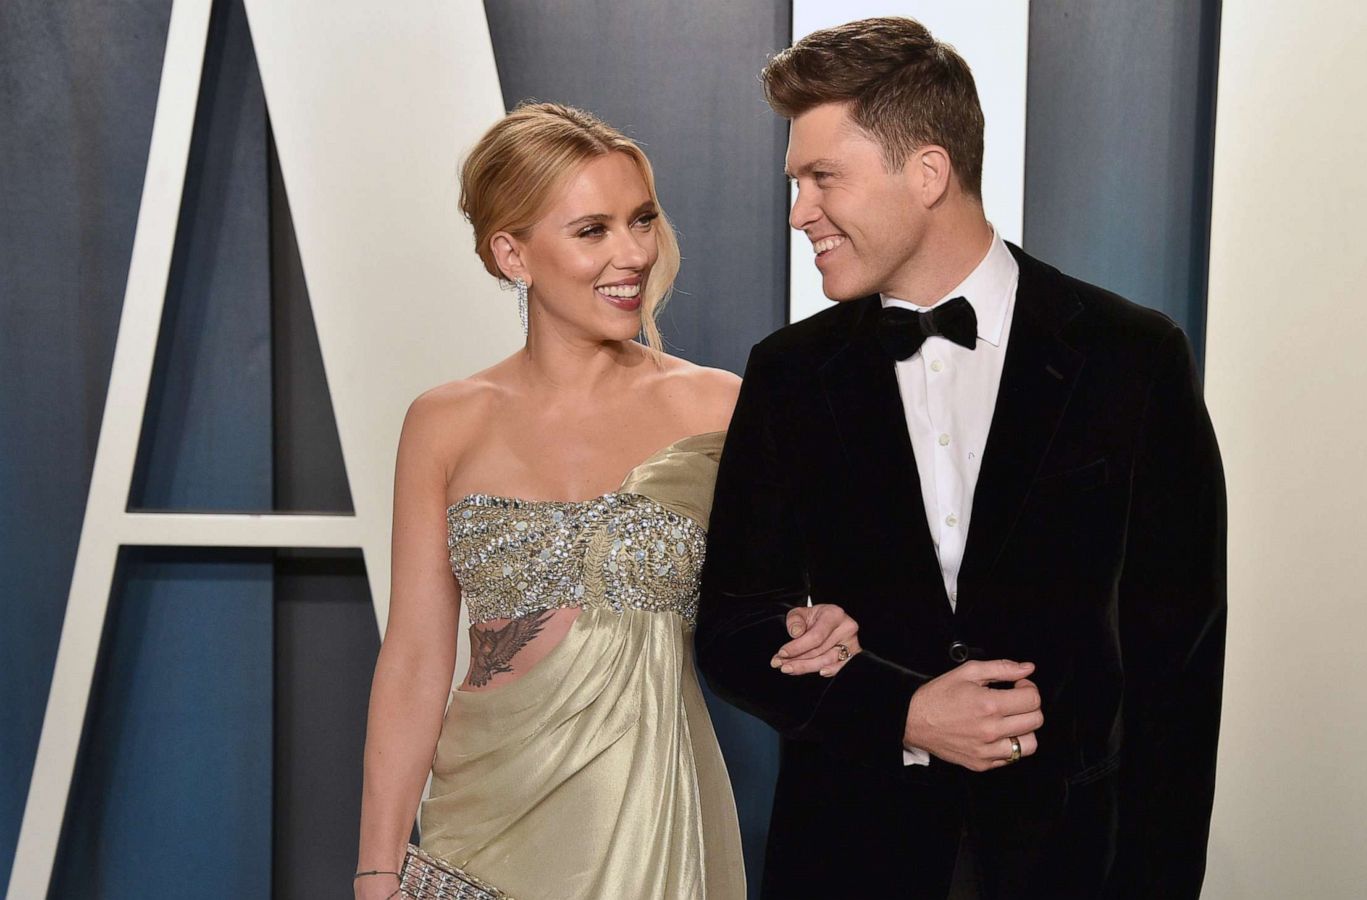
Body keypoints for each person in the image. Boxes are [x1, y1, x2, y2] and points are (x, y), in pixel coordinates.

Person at [696, 17, 1226, 899]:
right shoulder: (789, 374)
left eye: (823, 178)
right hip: (847, 862)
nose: (799, 212)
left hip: (1068, 866)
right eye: (797, 183)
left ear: (929, 171)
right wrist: (900, 709)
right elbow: (732, 631)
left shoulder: (1134, 357)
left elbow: (1181, 662)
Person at [354, 101, 745, 900]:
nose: (633, 252)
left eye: (641, 219)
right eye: (592, 230)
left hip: (651, 820)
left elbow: (783, 604)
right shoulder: (445, 421)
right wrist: (375, 868)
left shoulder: (720, 409)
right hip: (480, 823)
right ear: (513, 253)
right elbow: (417, 658)